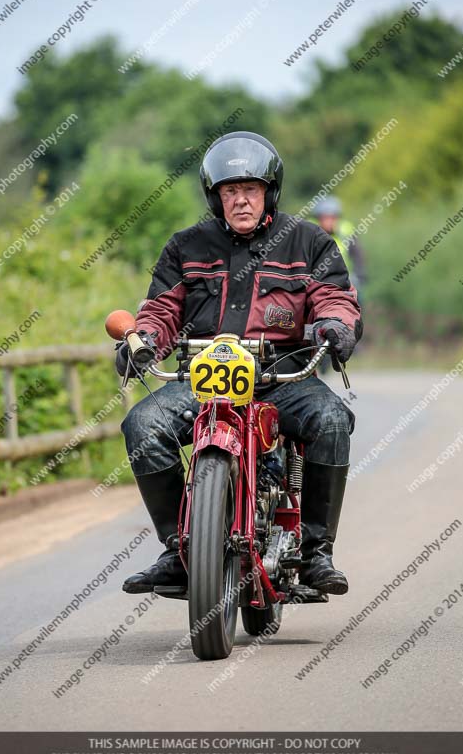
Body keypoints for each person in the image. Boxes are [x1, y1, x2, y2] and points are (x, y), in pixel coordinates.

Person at [117, 132, 362, 597]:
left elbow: (334, 298)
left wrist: (335, 325)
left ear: (269, 192)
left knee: (331, 419)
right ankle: (176, 550)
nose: (241, 200)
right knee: (143, 425)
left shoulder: (309, 242)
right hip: (204, 380)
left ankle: (315, 553)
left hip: (279, 377)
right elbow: (162, 310)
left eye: (250, 190)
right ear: (216, 197)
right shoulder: (185, 247)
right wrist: (143, 340)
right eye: (231, 191)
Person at [311, 197, 367, 292]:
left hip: (344, 280)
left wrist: (359, 274)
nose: (329, 221)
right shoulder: (310, 230)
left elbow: (358, 254)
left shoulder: (346, 229)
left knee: (357, 299)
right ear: (318, 218)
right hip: (316, 281)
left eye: (332, 217)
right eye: (325, 217)